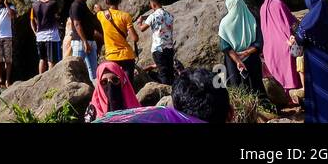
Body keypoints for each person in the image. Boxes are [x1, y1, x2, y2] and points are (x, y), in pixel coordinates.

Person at [94, 67, 231, 124]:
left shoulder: (149, 116)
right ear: (231, 113)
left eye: (115, 80)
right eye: (104, 82)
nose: (110, 87)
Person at [258, 0, 301, 99]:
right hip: (285, 44)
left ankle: (282, 98)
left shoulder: (262, 9)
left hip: (269, 47)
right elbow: (291, 22)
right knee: (290, 71)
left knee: (277, 73)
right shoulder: (278, 4)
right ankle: (294, 96)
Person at [218, 0, 264, 96]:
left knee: (237, 87)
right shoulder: (252, 19)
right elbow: (259, 42)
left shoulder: (224, 23)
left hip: (233, 62)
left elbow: (225, 47)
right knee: (256, 86)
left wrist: (238, 61)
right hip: (252, 59)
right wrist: (246, 53)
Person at [97, 0, 139, 84]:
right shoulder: (125, 16)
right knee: (128, 86)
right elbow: (135, 38)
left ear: (106, 1)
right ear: (119, 0)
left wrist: (101, 10)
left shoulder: (101, 15)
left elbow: (98, 9)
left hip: (111, 57)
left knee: (114, 86)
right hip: (127, 56)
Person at [138, 0, 176, 86]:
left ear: (153, 4)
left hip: (158, 49)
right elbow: (160, 17)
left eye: (151, 5)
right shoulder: (169, 15)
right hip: (169, 47)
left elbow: (142, 29)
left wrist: (139, 22)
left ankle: (166, 94)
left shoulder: (153, 16)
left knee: (163, 73)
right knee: (170, 72)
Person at [68, 0, 101, 81]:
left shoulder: (83, 6)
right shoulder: (76, 5)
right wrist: (85, 41)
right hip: (80, 42)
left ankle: (95, 93)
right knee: (77, 70)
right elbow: (77, 24)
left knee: (94, 71)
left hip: (90, 41)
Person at [31, 0, 62, 74]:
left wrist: (35, 31)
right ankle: (50, 81)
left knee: (42, 59)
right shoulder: (53, 3)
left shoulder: (34, 5)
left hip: (40, 35)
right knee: (51, 60)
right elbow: (56, 16)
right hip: (51, 35)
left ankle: (40, 79)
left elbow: (34, 20)